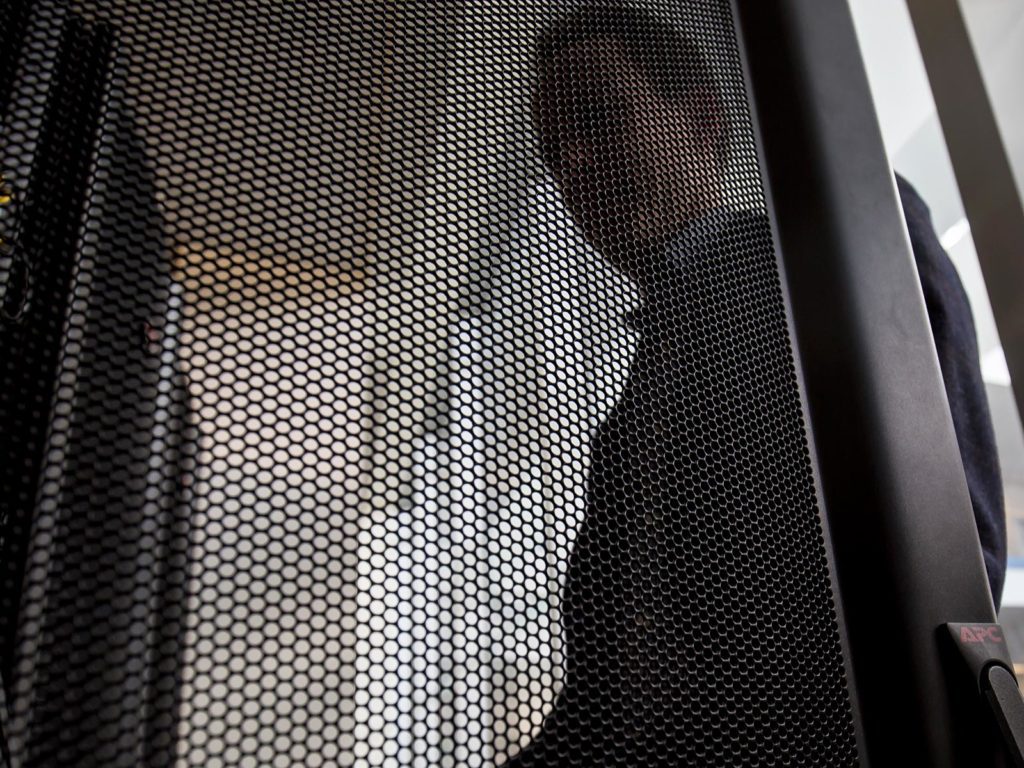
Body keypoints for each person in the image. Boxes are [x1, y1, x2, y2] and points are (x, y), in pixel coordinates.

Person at [504, 4, 1006, 767]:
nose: (571, 163)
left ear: (705, 124)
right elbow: (607, 692)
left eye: (601, 117)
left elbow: (955, 561)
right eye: (552, 149)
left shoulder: (836, 250)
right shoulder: (631, 416)